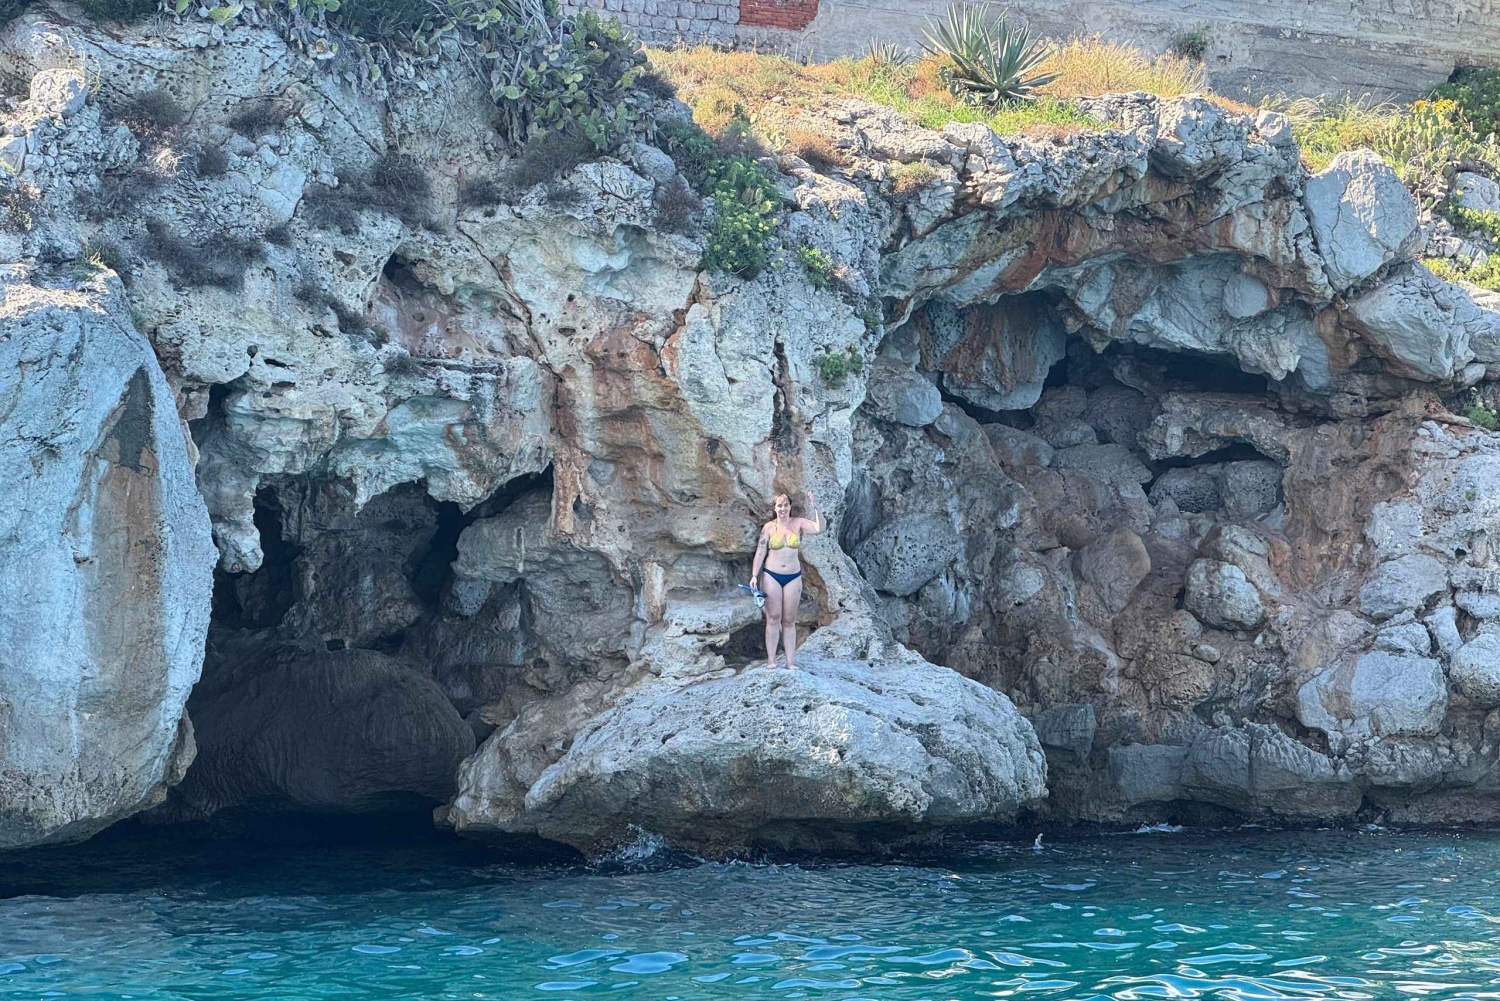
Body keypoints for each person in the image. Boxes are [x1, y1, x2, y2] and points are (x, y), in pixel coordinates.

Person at [749, 490, 823, 670]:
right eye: (779, 506)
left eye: (785, 505)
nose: (782, 509)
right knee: (773, 618)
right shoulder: (768, 527)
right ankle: (771, 661)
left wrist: (816, 507)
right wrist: (754, 575)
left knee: (789, 620)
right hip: (771, 575)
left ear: (790, 506)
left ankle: (790, 662)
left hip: (793, 576)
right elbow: (760, 552)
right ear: (774, 508)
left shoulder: (798, 523)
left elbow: (819, 528)